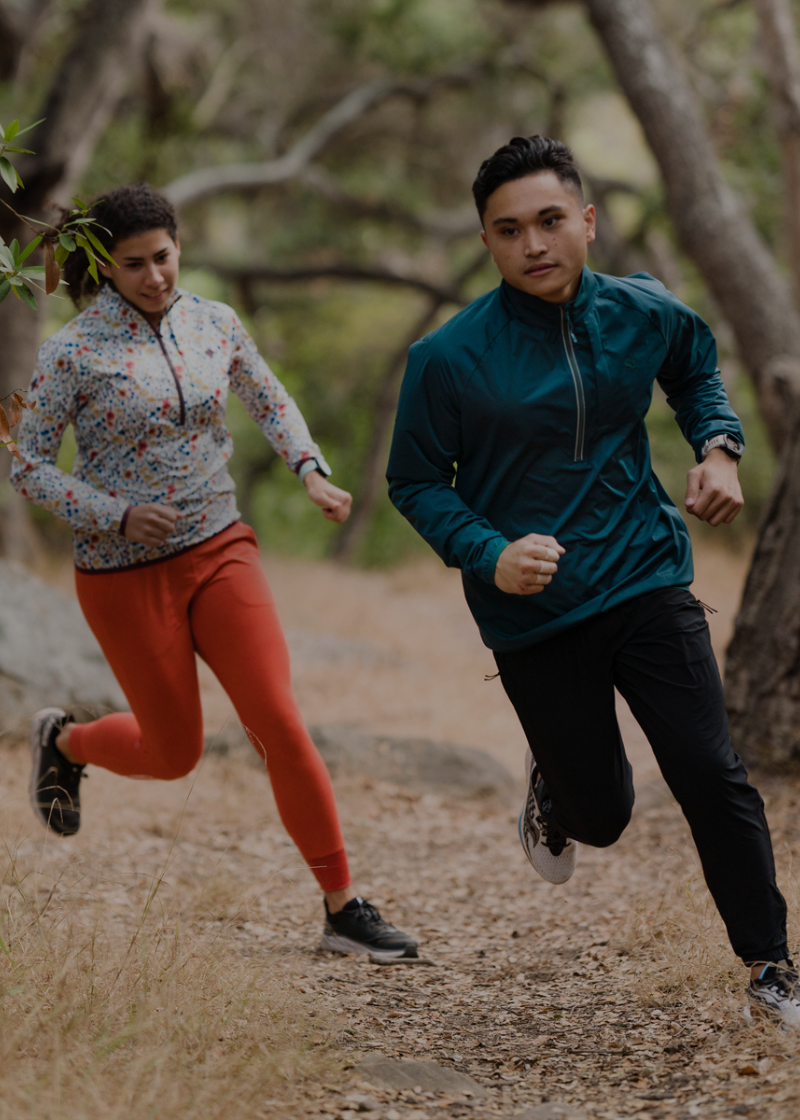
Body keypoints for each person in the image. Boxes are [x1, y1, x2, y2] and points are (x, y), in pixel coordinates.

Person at [386, 135, 797, 1021]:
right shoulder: (448, 358)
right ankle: (557, 788)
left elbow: (695, 373)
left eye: (549, 221)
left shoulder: (646, 311)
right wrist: (490, 552)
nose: (533, 244)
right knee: (603, 815)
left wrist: (719, 451)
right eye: (509, 230)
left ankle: (772, 965)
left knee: (710, 770)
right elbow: (414, 482)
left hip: (646, 574)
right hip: (535, 610)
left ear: (588, 221)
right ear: (486, 242)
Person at [12, 182, 417, 961]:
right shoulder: (72, 351)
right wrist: (115, 514)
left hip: (220, 547)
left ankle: (342, 908)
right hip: (124, 573)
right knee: (175, 755)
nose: (155, 276)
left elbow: (269, 399)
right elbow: (26, 468)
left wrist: (310, 469)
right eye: (134, 264)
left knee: (278, 720)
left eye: (163, 256)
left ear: (179, 245)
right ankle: (68, 742)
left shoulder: (214, 322)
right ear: (105, 265)